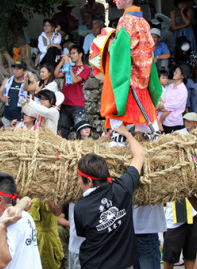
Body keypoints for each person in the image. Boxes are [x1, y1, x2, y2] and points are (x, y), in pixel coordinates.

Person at [98, 0, 162, 143]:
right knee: (149, 127)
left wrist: (108, 44)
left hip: (128, 83)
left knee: (119, 124)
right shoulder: (143, 22)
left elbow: (120, 52)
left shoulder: (125, 20)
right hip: (142, 79)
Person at [74, 125, 144, 268]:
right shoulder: (122, 188)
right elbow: (139, 156)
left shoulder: (81, 207)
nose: (78, 182)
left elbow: (84, 235)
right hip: (125, 264)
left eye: (79, 178)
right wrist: (127, 134)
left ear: (89, 181)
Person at [0, 171, 42, 269]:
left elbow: (0, 264)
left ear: (0, 200)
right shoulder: (25, 215)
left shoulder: (12, 222)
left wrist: (2, 226)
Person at [55, 46, 90, 139]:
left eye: (74, 53)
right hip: (65, 103)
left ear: (80, 54)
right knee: (63, 130)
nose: (71, 55)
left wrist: (68, 65)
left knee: (81, 130)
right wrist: (62, 61)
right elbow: (56, 74)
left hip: (77, 104)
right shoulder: (68, 67)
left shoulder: (85, 69)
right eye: (70, 54)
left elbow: (74, 80)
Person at [28, 198, 64, 269]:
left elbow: (57, 212)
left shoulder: (50, 193)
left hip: (48, 243)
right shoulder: (27, 192)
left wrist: (47, 196)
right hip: (33, 240)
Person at [158, 65, 189, 133]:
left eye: (177, 72)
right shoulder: (170, 86)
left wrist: (162, 106)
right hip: (164, 119)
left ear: (182, 76)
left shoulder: (182, 89)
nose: (174, 73)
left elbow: (175, 105)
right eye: (175, 71)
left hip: (174, 122)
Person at [0, 60, 28, 128]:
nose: (15, 70)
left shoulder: (27, 83)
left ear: (25, 71)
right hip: (7, 117)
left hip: (20, 118)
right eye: (14, 68)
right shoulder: (7, 81)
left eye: (19, 69)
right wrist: (2, 97)